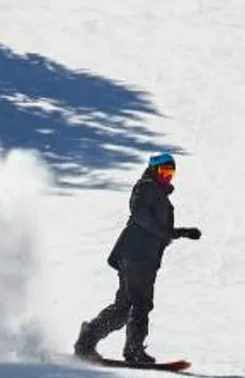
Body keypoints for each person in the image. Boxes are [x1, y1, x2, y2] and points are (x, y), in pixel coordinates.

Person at [74, 148, 201, 366]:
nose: (167, 176)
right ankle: (133, 350)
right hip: (136, 255)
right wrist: (165, 233)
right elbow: (140, 214)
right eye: (163, 170)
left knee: (123, 308)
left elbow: (159, 229)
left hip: (141, 257)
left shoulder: (159, 195)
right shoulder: (146, 187)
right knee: (141, 303)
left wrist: (183, 232)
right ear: (153, 170)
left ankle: (87, 339)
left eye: (171, 172)